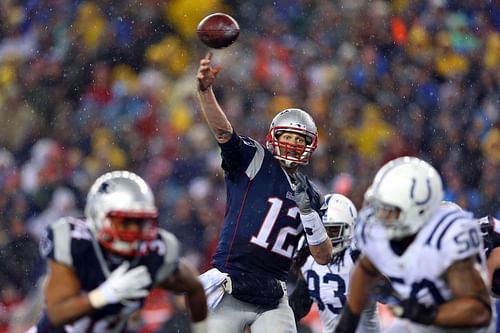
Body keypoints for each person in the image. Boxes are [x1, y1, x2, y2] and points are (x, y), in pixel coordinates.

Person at [196, 52, 333, 333]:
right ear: (274, 137)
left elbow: (323, 256)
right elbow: (223, 132)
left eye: (300, 139)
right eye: (288, 137)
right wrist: (206, 92)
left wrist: (308, 213)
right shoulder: (255, 159)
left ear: (311, 145)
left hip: (272, 294)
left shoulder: (313, 195)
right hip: (231, 282)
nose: (294, 144)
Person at [31, 171, 208, 333]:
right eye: (125, 222)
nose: (134, 230)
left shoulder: (154, 252)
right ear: (100, 217)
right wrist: (105, 295)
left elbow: (195, 287)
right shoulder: (76, 243)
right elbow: (57, 314)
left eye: (140, 223)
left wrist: (202, 329)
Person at [334, 156, 495, 333]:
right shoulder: (389, 234)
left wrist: (425, 313)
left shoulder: (448, 238)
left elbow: (478, 312)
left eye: (389, 210)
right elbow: (364, 273)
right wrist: (345, 327)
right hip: (416, 323)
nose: (381, 217)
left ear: (417, 209)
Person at [289, 193, 379, 333]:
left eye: (334, 230)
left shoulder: (359, 256)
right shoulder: (309, 256)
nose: (327, 239)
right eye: (322, 231)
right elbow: (300, 303)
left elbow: (388, 293)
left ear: (351, 227)